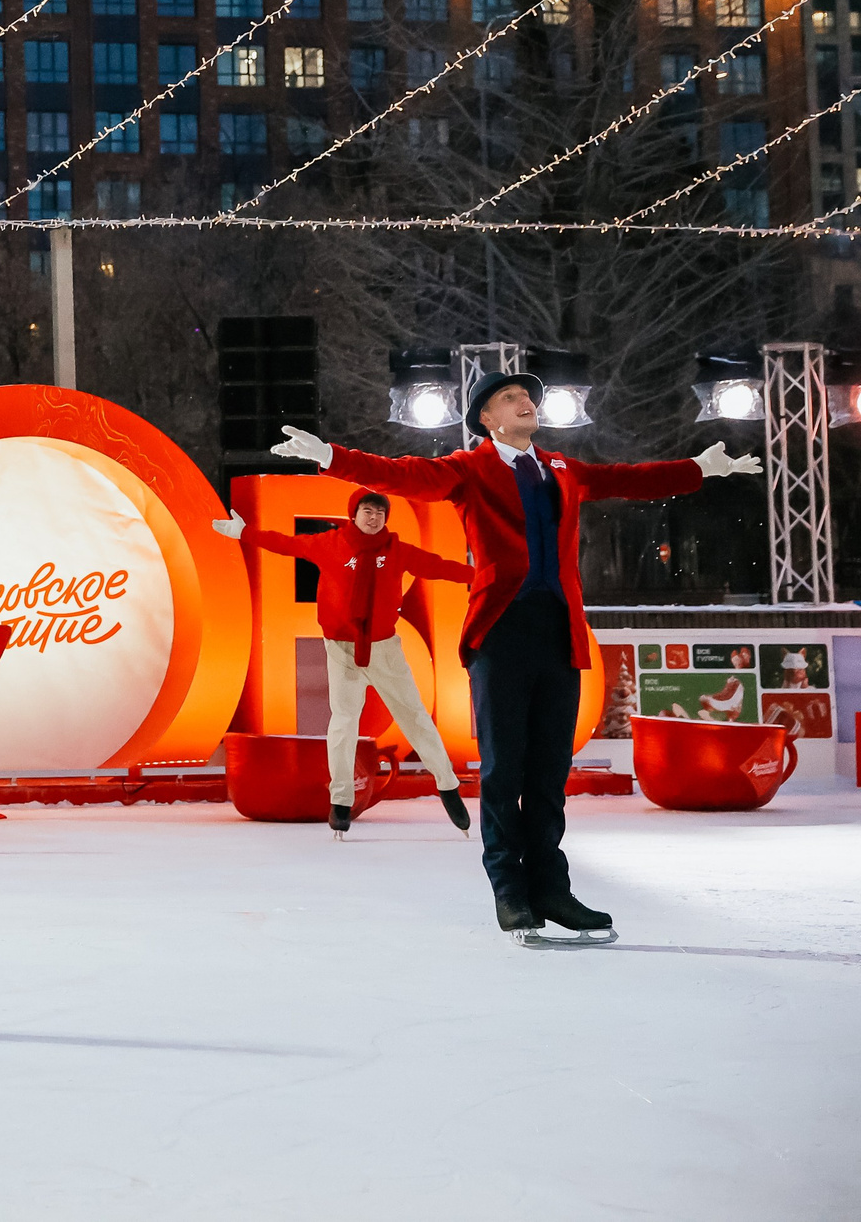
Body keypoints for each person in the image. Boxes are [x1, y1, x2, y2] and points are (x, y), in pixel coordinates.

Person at [273, 374, 759, 945]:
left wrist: (698, 469)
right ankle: (509, 890)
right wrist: (332, 457)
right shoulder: (467, 469)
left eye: (529, 395)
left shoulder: (561, 469)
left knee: (549, 772)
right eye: (510, 397)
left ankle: (552, 889)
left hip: (559, 632)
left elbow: (625, 479)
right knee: (505, 770)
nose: (526, 401)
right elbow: (400, 474)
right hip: (501, 633)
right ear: (487, 418)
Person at [214, 487, 476, 837]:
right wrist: (244, 533)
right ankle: (340, 800)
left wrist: (487, 576)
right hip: (341, 650)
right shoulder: (330, 544)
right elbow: (285, 543)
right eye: (367, 511)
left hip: (384, 648)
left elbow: (438, 566)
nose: (373, 518)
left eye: (380, 513)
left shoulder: (396, 550)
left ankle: (447, 786)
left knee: (415, 717)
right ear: (354, 514)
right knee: (343, 723)